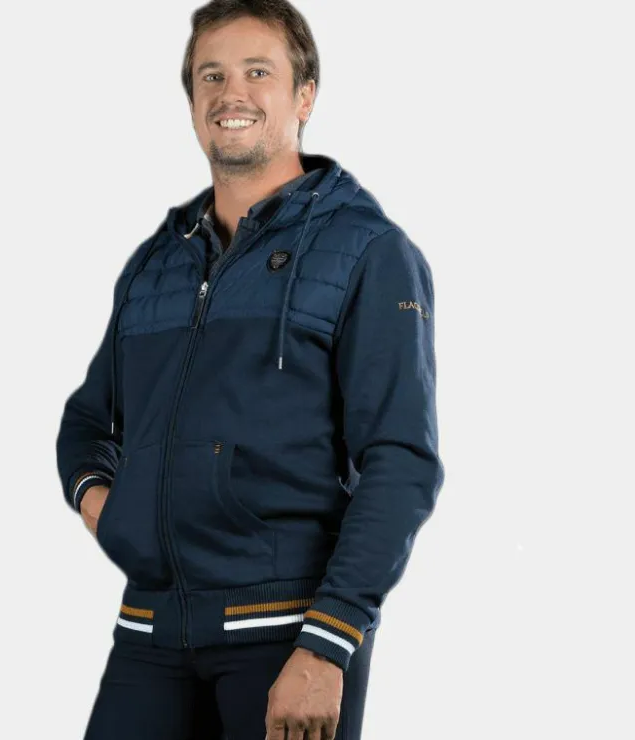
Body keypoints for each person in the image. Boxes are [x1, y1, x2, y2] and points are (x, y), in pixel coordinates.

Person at [55, 1, 445, 737]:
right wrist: (104, 506)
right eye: (212, 76)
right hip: (150, 633)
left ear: (305, 96)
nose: (231, 93)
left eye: (257, 72)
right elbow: (87, 421)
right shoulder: (157, 263)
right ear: (192, 102)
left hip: (285, 632)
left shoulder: (369, 251)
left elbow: (401, 461)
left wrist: (328, 642)